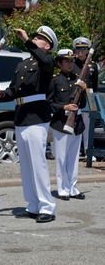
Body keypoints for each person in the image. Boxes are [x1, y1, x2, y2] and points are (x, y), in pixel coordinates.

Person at [0, 26, 57, 223]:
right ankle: (33, 205)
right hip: (21, 116)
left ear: (47, 45)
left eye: (39, 39)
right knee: (26, 165)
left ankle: (47, 207)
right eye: (35, 37)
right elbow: (13, 90)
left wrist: (28, 41)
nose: (35, 40)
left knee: (38, 163)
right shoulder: (23, 64)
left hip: (37, 117)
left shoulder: (46, 61)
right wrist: (0, 94)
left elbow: (44, 61)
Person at [48, 49, 87, 200]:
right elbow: (49, 103)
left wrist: (82, 91)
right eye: (66, 61)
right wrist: (64, 108)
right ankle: (62, 188)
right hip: (61, 123)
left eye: (72, 61)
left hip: (76, 123)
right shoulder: (55, 80)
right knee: (61, 158)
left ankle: (73, 187)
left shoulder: (78, 79)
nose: (70, 64)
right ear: (60, 63)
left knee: (73, 157)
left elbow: (82, 104)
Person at [72, 37, 98, 157]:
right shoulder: (72, 64)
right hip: (76, 97)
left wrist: (94, 101)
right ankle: (75, 153)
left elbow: (95, 85)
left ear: (88, 50)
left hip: (88, 97)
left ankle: (88, 152)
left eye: (83, 48)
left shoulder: (93, 66)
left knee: (88, 128)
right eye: (78, 48)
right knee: (75, 127)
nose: (80, 50)